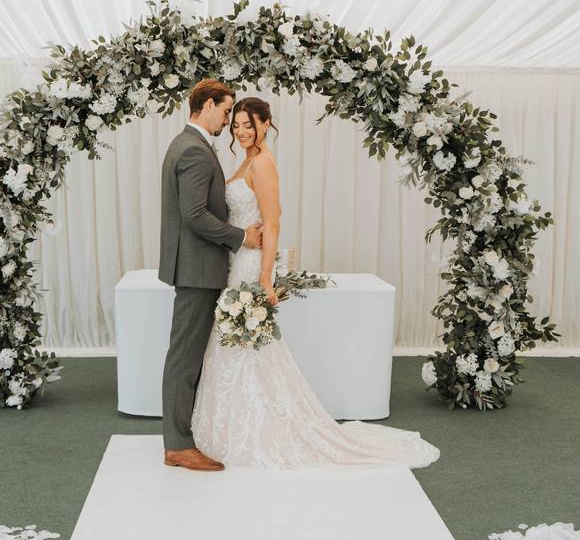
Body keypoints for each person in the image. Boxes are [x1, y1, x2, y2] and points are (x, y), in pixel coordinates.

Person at [191, 96, 440, 469]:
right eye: (236, 124)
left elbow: (273, 222)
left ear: (266, 123)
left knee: (249, 343)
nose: (241, 131)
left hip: (252, 265)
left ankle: (259, 429)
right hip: (237, 259)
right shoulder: (246, 160)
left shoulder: (263, 164)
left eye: (248, 124)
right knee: (239, 343)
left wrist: (265, 278)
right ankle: (232, 424)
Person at [158, 79, 263, 471]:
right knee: (184, 358)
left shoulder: (186, 144)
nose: (229, 118)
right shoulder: (194, 151)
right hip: (198, 268)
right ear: (205, 106)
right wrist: (241, 238)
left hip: (196, 266)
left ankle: (181, 438)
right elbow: (195, 215)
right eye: (225, 109)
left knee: (186, 355)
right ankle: (178, 446)